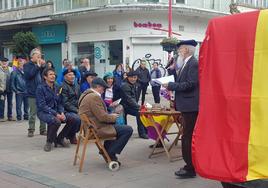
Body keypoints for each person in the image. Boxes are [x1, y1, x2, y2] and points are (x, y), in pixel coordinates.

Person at [163, 40, 199, 178]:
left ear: (186, 50)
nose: (178, 52)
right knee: (186, 136)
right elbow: (182, 81)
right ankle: (189, 165)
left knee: (187, 137)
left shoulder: (193, 63)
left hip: (191, 106)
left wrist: (171, 85)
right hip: (186, 105)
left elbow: (190, 84)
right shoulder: (186, 63)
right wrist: (172, 70)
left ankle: (190, 168)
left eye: (180, 50)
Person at [78, 77, 133, 162]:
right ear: (98, 87)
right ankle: (110, 152)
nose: (104, 90)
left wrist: (110, 116)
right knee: (128, 130)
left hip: (90, 127)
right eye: (103, 88)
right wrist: (114, 116)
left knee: (117, 127)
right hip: (96, 129)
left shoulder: (85, 94)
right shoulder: (94, 97)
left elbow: (99, 114)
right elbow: (102, 117)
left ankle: (107, 150)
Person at [36, 68, 76, 152]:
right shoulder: (40, 88)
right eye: (50, 74)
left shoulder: (57, 86)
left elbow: (60, 102)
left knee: (72, 119)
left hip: (57, 111)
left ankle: (59, 139)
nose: (53, 76)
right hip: (44, 112)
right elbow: (42, 105)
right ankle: (49, 142)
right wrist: (56, 114)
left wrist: (61, 112)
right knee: (56, 121)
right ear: (45, 77)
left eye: (54, 74)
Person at [24, 48, 46, 137]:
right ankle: (31, 130)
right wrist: (37, 66)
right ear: (32, 56)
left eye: (40, 56)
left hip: (41, 91)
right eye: (37, 56)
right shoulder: (27, 65)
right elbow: (29, 75)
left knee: (43, 111)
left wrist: (43, 66)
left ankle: (43, 130)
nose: (39, 57)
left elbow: (44, 75)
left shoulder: (39, 65)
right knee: (33, 113)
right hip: (32, 92)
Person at [120, 71, 148, 139]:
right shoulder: (125, 85)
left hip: (130, 105)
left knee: (142, 112)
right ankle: (141, 133)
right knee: (140, 112)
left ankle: (145, 131)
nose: (133, 79)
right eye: (131, 77)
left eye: (134, 77)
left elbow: (134, 98)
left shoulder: (135, 84)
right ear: (128, 77)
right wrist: (139, 107)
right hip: (123, 106)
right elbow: (129, 99)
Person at [60, 69, 81, 144]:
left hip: (76, 108)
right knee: (77, 118)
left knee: (86, 116)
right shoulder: (62, 86)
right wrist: (76, 110)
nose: (72, 76)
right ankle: (71, 135)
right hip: (65, 110)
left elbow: (80, 98)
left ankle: (70, 134)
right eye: (70, 75)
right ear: (65, 77)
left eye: (73, 75)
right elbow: (65, 103)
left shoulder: (76, 85)